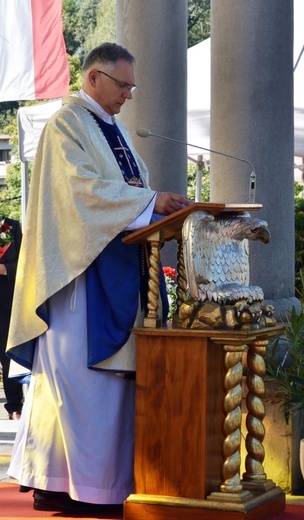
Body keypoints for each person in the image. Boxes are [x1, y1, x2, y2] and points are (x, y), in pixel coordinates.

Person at [6, 42, 191, 514]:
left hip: (118, 272)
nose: (129, 93)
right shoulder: (66, 124)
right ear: (93, 78)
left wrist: (155, 207)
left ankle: (78, 481)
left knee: (99, 390)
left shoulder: (116, 131)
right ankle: (76, 486)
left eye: (132, 85)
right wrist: (150, 203)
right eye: (122, 84)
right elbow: (82, 193)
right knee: (81, 387)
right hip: (80, 281)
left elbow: (129, 192)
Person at [0, 217, 23, 420]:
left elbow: (25, 261)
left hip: (6, 303)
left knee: (8, 355)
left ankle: (15, 406)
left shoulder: (12, 226)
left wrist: (5, 269)